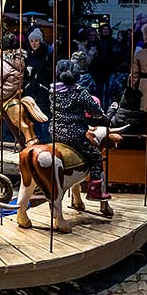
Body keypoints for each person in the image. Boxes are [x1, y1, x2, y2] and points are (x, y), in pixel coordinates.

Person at [49, 59, 111, 201]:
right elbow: (95, 110)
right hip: (74, 133)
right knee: (96, 156)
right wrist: (101, 115)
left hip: (55, 131)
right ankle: (94, 190)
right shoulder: (79, 92)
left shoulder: (53, 90)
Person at [24, 28, 52, 143]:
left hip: (42, 88)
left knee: (43, 115)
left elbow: (49, 70)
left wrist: (34, 70)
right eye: (32, 41)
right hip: (31, 89)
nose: (34, 43)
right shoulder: (28, 54)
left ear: (40, 41)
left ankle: (46, 140)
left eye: (36, 41)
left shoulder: (46, 54)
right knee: (32, 116)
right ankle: (38, 140)